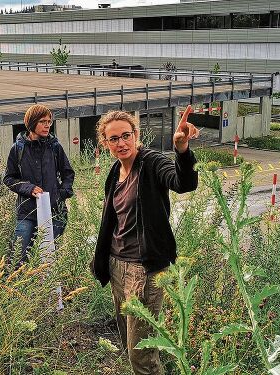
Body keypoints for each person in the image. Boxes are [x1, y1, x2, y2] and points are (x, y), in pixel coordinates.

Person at [91, 108, 199, 375]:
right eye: (113, 139)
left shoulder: (151, 161)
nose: (121, 143)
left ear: (136, 135)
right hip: (118, 264)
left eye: (126, 135)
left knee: (142, 354)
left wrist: (181, 150)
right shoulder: (115, 171)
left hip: (145, 268)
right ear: (105, 144)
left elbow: (183, 183)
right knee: (131, 344)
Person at [3, 104, 74, 267]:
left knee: (48, 258)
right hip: (27, 212)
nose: (47, 125)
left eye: (49, 121)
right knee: (18, 257)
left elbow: (68, 173)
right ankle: (17, 289)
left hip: (54, 212)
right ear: (31, 123)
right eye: (43, 121)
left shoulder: (55, 147)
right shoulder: (18, 149)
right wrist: (29, 188)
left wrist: (61, 193)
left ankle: (47, 292)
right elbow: (8, 178)